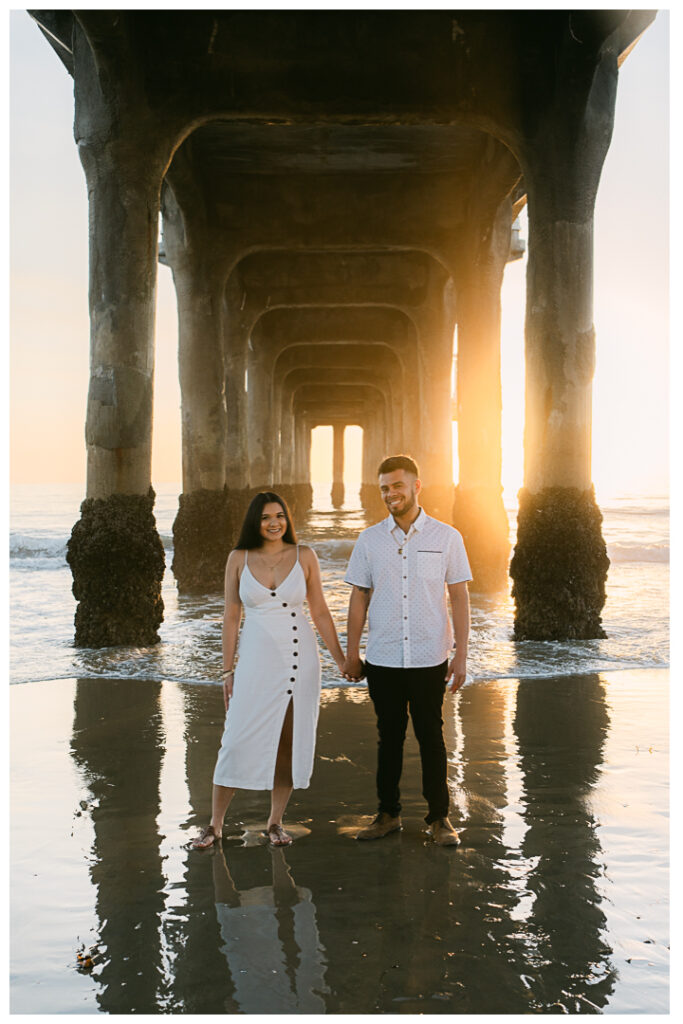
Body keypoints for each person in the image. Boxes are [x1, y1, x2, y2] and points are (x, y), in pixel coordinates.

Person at [192, 491, 346, 849]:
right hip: (257, 660)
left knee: (287, 743)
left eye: (280, 515)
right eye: (265, 517)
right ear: (254, 522)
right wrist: (227, 671)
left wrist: (340, 658)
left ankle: (275, 822)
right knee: (235, 739)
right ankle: (214, 825)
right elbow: (231, 617)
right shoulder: (238, 558)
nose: (274, 522)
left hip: (300, 658)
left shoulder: (304, 556)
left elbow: (320, 611)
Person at [342, 455, 472, 846]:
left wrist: (461, 654)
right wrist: (352, 653)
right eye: (384, 487)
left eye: (397, 485)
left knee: (432, 737)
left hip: (430, 655)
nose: (390, 494)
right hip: (382, 657)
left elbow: (460, 596)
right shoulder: (370, 540)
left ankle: (439, 819)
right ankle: (387, 814)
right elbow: (358, 598)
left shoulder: (447, 537)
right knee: (389, 738)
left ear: (417, 486)